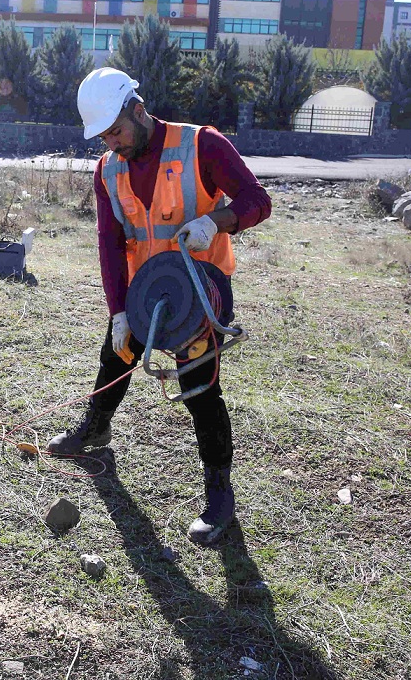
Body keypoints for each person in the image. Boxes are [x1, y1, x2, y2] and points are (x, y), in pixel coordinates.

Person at [48, 67, 272, 547]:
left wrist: (218, 222)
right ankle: (96, 428)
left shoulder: (201, 145)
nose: (112, 143)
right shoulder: (108, 168)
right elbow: (110, 244)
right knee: (115, 357)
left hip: (200, 293)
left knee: (198, 390)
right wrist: (119, 311)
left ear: (137, 107)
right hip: (146, 292)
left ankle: (219, 495)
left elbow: (259, 200)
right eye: (103, 137)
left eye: (117, 131)